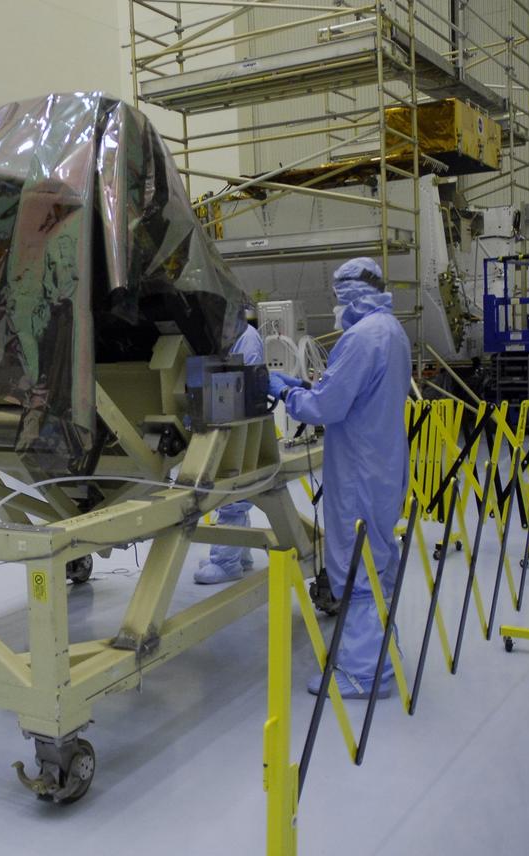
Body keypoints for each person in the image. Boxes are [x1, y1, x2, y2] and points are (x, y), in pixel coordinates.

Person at [267, 258, 410, 700]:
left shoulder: (361, 337)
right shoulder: (392, 331)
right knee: (377, 559)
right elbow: (352, 392)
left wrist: (288, 393)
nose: (336, 306)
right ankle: (381, 650)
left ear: (350, 295)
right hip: (384, 464)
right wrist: (307, 386)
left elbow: (326, 408)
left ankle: (365, 673)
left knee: (356, 565)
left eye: (338, 296)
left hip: (359, 472)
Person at [196, 308, 266, 584]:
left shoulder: (247, 338)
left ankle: (226, 563)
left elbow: (246, 386)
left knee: (231, 493)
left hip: (241, 426)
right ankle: (240, 555)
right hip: (225, 420)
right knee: (231, 491)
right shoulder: (227, 336)